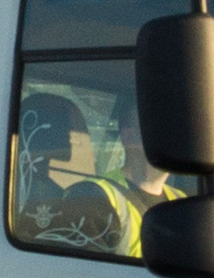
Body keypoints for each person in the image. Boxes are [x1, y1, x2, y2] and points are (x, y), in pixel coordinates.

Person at [12, 83, 146, 260]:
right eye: (84, 134)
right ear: (71, 144)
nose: (93, 153)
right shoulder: (89, 207)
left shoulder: (20, 219)